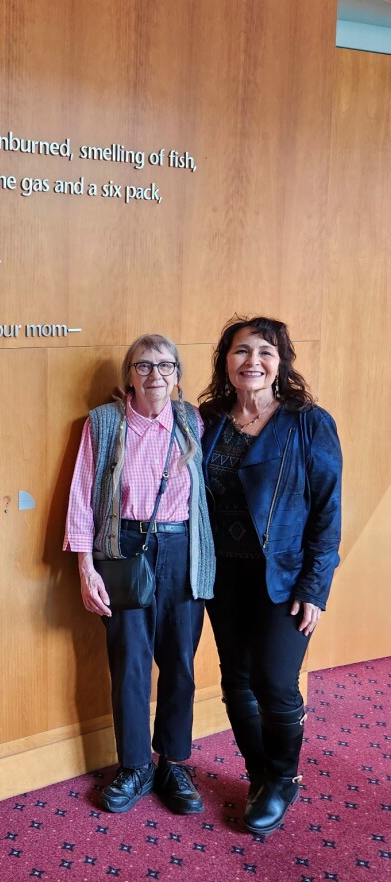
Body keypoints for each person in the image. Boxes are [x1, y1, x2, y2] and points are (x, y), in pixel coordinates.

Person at [199, 316, 342, 836]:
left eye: (265, 352)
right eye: (241, 351)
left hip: (284, 577)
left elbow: (328, 512)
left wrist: (315, 587)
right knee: (235, 678)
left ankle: (283, 777)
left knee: (275, 681)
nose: (252, 362)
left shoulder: (309, 422)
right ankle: (258, 775)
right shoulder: (209, 419)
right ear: (226, 361)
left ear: (281, 363)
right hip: (221, 576)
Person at [65, 334, 215, 815]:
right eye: (144, 366)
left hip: (183, 548)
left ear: (178, 375)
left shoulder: (192, 420)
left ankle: (172, 763)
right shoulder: (105, 424)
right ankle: (134, 766)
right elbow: (82, 497)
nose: (155, 376)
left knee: (180, 664)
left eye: (166, 367)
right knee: (129, 662)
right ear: (128, 375)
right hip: (124, 549)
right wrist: (86, 566)